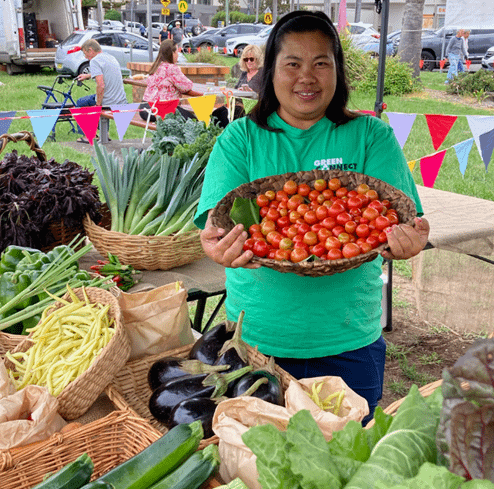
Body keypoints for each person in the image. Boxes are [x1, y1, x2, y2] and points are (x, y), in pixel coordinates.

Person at [194, 10, 430, 426]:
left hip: (349, 339)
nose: (308, 76)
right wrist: (216, 246)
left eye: (322, 63)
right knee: (260, 459)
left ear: (338, 71)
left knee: (345, 457)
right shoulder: (240, 139)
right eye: (293, 64)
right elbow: (215, 227)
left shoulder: (371, 135)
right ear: (271, 72)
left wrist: (407, 243)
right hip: (259, 341)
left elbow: (400, 221)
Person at [75, 39, 127, 144]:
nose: (85, 57)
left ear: (90, 50)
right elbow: (105, 73)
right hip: (121, 100)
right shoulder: (110, 57)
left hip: (109, 101)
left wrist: (98, 105)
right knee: (99, 99)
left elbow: (101, 85)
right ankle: (105, 134)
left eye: (85, 54)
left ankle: (88, 136)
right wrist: (88, 76)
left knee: (81, 102)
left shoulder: (94, 60)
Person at [139, 40, 204, 123]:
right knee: (194, 122)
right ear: (172, 53)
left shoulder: (156, 67)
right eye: (177, 51)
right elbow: (187, 87)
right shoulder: (172, 68)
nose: (178, 55)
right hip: (159, 110)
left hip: (145, 110)